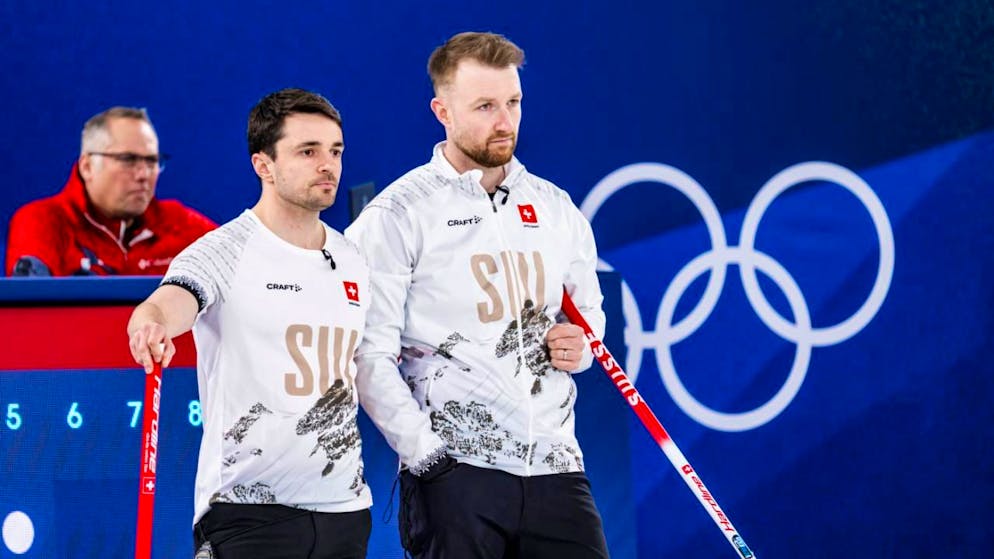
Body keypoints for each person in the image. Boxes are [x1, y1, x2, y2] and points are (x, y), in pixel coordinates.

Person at [127, 88, 446, 558]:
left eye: (335, 151)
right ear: (264, 165)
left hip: (344, 511)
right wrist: (151, 323)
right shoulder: (224, 249)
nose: (328, 165)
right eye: (308, 151)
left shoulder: (353, 258)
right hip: (248, 512)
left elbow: (374, 362)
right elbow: (169, 301)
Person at [345, 32, 610, 558]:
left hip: (555, 466)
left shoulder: (555, 208)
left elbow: (590, 317)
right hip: (457, 475)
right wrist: (427, 457)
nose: (504, 120)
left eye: (513, 102)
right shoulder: (397, 215)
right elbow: (367, 355)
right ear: (441, 110)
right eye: (485, 105)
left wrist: (580, 346)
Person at [5, 106, 216, 276]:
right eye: (128, 160)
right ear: (87, 166)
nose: (144, 174)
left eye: (152, 161)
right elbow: (34, 314)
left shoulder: (182, 225)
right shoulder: (42, 221)